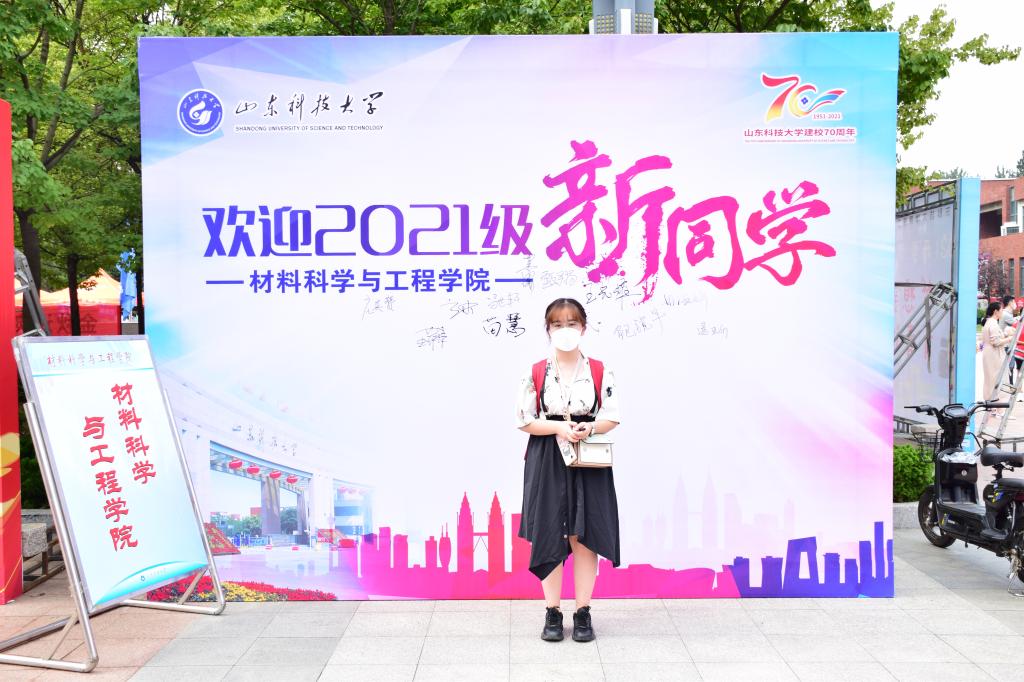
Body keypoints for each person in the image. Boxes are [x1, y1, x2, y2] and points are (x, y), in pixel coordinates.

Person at [515, 298, 621, 643]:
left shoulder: (599, 370)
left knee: (585, 536)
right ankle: (553, 612)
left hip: (588, 458)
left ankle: (583, 611)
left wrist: (590, 428)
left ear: (583, 328)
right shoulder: (536, 371)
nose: (565, 330)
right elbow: (524, 420)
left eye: (572, 323)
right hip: (548, 457)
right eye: (557, 324)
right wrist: (559, 428)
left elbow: (612, 415)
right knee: (551, 532)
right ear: (548, 329)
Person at [982, 301, 1014, 419]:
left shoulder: (989, 322)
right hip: (995, 354)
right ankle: (1000, 410)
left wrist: (1004, 336)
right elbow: (996, 342)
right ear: (996, 311)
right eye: (1001, 310)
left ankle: (993, 408)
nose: (1002, 312)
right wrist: (1009, 338)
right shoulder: (993, 324)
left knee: (991, 380)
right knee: (999, 380)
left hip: (990, 354)